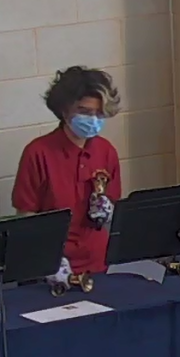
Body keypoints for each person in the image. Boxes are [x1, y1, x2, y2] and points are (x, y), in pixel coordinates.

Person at [14, 66, 123, 284]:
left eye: (99, 113)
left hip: (97, 265)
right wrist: (47, 260)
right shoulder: (38, 153)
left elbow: (114, 206)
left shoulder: (106, 151)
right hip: (50, 268)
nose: (93, 119)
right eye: (84, 111)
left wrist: (108, 212)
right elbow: (26, 217)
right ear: (65, 111)